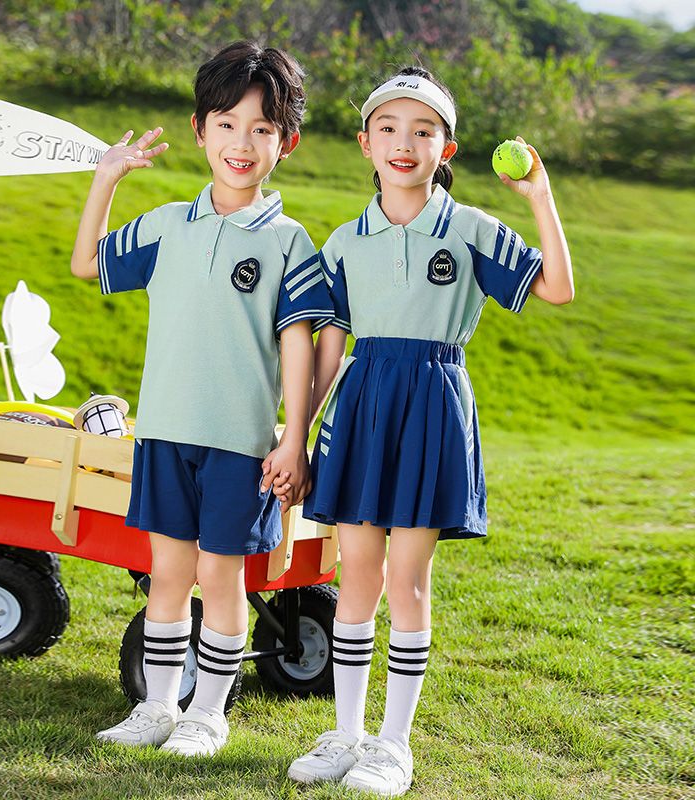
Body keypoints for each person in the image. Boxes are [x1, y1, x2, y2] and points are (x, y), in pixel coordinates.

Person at [286, 67, 574, 796]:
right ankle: (347, 734)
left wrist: (539, 198)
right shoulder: (346, 239)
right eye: (388, 128)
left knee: (407, 582)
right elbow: (328, 348)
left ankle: (394, 746)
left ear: (447, 148)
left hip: (435, 401)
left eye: (423, 130)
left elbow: (556, 288)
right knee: (356, 575)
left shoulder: (471, 228)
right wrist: (295, 435)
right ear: (365, 143)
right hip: (362, 400)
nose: (404, 143)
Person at [70, 41, 333, 757]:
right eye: (225, 124)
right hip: (163, 434)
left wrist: (292, 437)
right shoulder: (165, 225)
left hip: (240, 446)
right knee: (168, 575)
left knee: (220, 578)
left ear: (288, 141)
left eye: (261, 129)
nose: (240, 143)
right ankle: (155, 708)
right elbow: (87, 262)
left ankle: (207, 715)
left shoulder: (289, 242)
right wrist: (108, 180)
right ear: (199, 129)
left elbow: (299, 347)